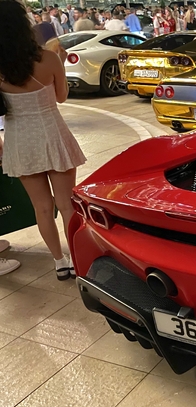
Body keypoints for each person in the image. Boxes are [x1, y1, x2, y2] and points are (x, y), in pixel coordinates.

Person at [0, 1, 86, 280]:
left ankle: (60, 262)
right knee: (66, 203)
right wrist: (59, 63)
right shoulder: (48, 59)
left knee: (42, 208)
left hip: (19, 139)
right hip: (52, 133)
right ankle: (77, 257)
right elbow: (61, 97)